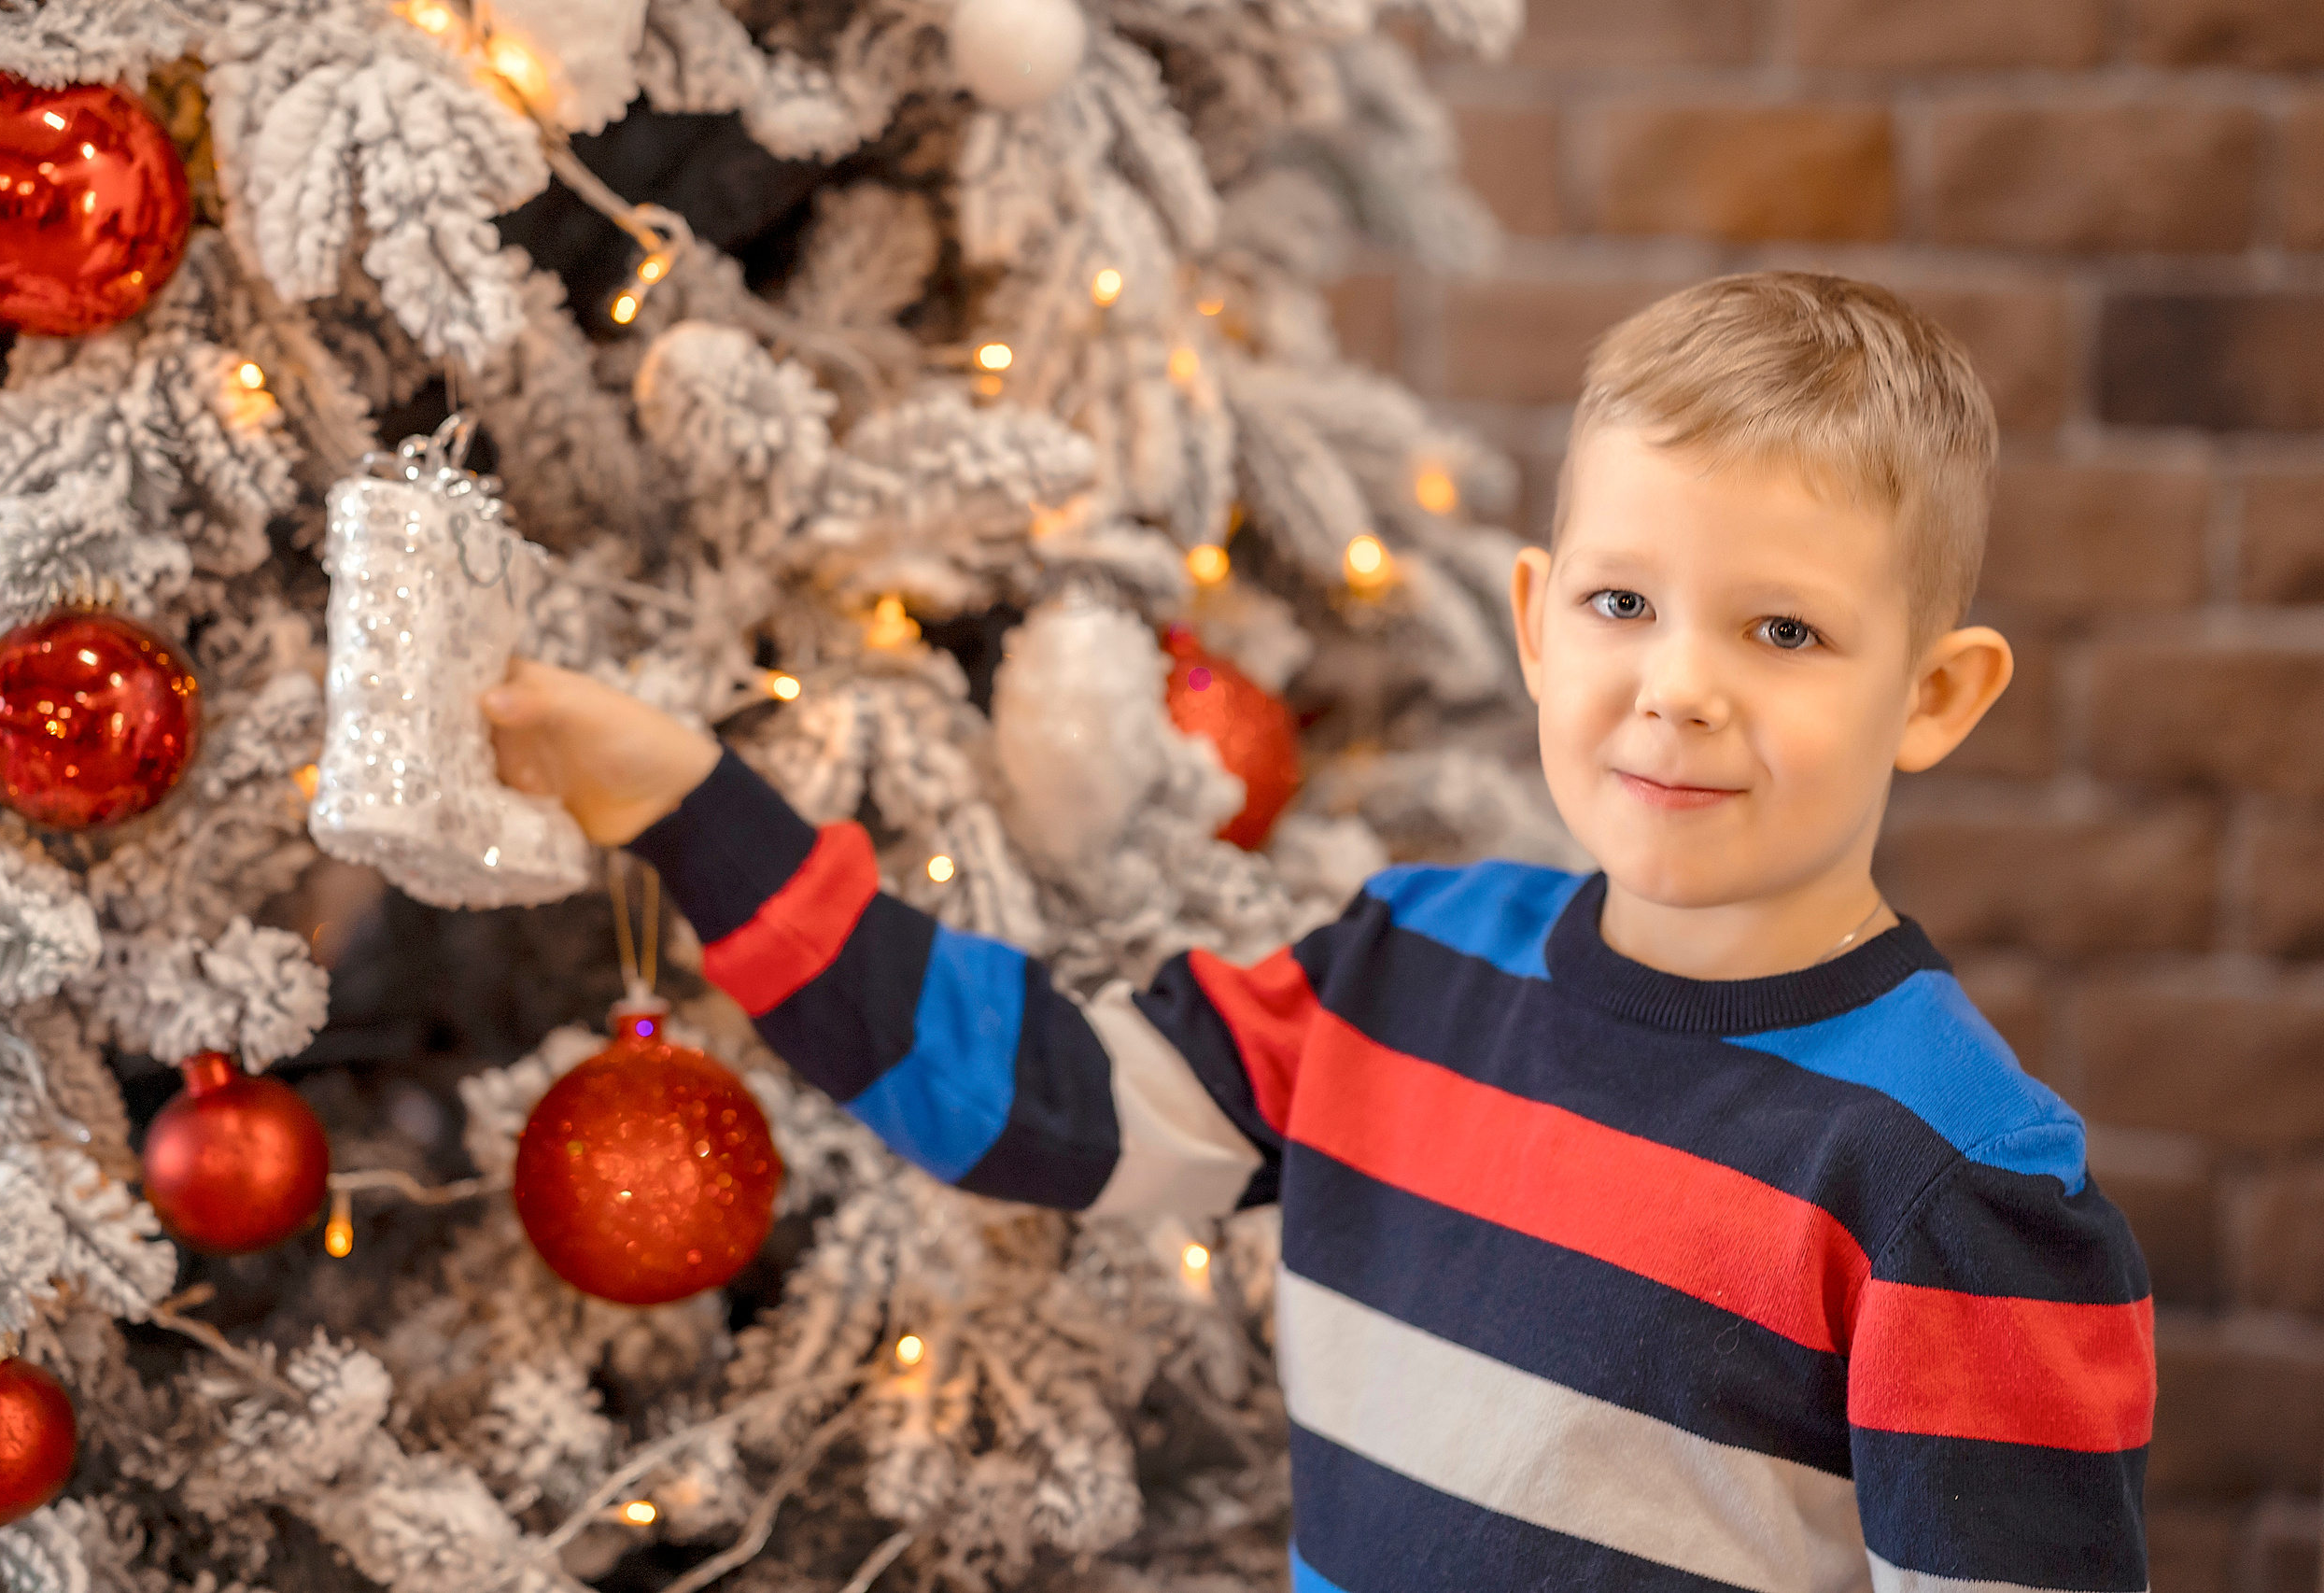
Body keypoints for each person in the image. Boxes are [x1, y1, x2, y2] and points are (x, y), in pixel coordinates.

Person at [481, 272, 2154, 1592]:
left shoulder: (1955, 1181)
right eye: (1621, 603)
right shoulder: (1396, 974)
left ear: (1932, 695)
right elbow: (1029, 1093)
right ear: (1534, 622)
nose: (1679, 689)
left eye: (1784, 628)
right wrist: (686, 802)